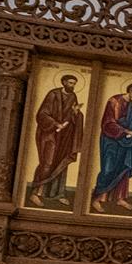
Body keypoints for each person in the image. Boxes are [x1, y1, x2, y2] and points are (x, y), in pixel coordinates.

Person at [27, 73, 84, 206]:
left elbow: (72, 115)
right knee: (47, 162)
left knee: (61, 163)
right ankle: (35, 193)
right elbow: (42, 114)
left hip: (65, 136)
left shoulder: (73, 96)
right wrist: (55, 124)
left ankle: (57, 193)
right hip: (50, 134)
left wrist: (76, 113)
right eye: (70, 83)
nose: (72, 86)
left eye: (74, 84)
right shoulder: (53, 94)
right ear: (64, 82)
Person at [91, 82, 132, 210]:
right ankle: (98, 198)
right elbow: (108, 122)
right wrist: (125, 131)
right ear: (130, 89)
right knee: (108, 169)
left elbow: (131, 123)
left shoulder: (131, 104)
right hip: (110, 139)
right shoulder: (114, 101)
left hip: (125, 140)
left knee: (123, 169)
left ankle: (120, 198)